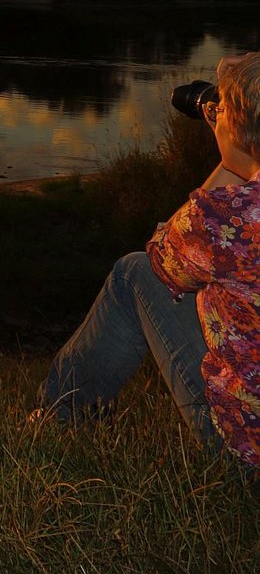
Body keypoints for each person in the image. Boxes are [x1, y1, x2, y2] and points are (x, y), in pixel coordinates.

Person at [35, 51, 260, 468]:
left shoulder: (229, 219)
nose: (216, 115)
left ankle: (55, 421)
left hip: (248, 453)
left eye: (223, 109)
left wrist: (231, 164)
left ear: (244, 132)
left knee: (135, 272)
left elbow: (164, 260)